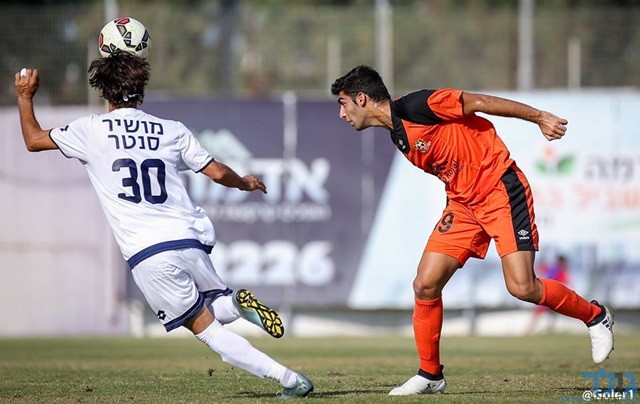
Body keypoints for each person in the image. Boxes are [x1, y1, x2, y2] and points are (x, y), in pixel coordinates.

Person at [15, 51, 313, 399]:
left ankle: (289, 380)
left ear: (104, 91)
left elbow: (33, 139)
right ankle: (235, 304)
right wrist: (245, 183)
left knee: (207, 330)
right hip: (188, 238)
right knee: (211, 308)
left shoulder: (90, 130)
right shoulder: (170, 129)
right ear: (141, 90)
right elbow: (217, 172)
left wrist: (25, 96)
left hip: (149, 252)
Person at [330, 65, 614, 396]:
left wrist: (539, 117)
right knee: (425, 284)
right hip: (463, 206)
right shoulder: (398, 133)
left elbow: (477, 102)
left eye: (343, 103)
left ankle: (595, 316)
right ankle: (430, 375)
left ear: (361, 99)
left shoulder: (418, 106)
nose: (342, 114)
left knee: (522, 287)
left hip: (499, 191)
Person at [525, 254, 571, 335]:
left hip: (548, 292)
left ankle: (532, 330)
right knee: (542, 313)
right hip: (551, 294)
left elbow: (543, 271)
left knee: (546, 313)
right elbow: (564, 282)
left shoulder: (554, 268)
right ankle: (530, 330)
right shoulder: (559, 270)